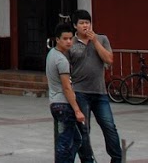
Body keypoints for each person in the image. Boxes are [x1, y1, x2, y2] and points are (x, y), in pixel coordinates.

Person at [68, 9, 124, 163]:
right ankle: (88, 160)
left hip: (100, 92)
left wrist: (95, 41)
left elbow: (109, 59)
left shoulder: (101, 38)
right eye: (82, 23)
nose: (85, 25)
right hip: (80, 92)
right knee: (83, 130)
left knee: (109, 126)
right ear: (75, 26)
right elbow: (65, 67)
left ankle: (117, 158)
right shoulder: (71, 43)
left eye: (88, 22)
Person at [46, 22, 87, 163]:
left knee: (76, 139)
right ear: (57, 39)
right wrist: (77, 110)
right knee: (66, 142)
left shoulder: (51, 53)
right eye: (65, 39)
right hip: (63, 105)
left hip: (54, 103)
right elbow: (67, 87)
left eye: (70, 38)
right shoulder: (61, 60)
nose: (69, 41)